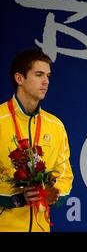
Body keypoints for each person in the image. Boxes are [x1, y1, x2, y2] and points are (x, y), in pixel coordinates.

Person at [0, 48, 74, 232]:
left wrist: (54, 193)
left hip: (41, 227)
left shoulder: (55, 125)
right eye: (39, 74)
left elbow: (65, 174)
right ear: (20, 78)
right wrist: (15, 198)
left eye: (48, 76)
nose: (46, 81)